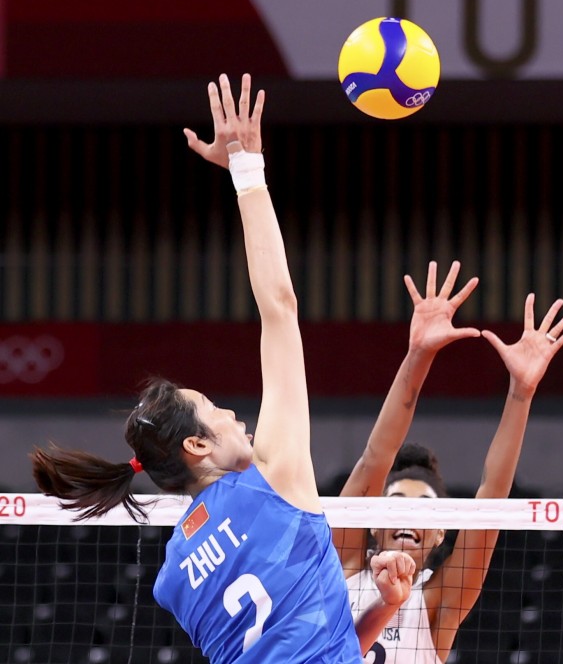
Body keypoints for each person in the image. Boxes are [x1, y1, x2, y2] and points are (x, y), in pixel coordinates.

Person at [30, 73, 407, 663]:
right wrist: (248, 172)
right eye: (213, 409)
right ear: (197, 445)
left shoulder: (174, 576)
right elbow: (279, 308)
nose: (233, 414)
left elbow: (294, 643)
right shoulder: (275, 480)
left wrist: (382, 609)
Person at [333, 261, 563, 663]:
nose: (409, 514)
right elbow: (376, 456)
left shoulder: (437, 602)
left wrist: (520, 392)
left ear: (439, 533)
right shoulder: (342, 568)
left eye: (423, 507)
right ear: (374, 521)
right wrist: (418, 355)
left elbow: (492, 497)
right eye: (397, 502)